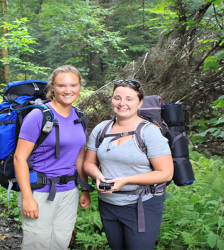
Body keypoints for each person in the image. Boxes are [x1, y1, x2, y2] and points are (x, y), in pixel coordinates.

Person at [84, 79, 174, 250]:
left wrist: (125, 180)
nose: (122, 103)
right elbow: (89, 162)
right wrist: (97, 175)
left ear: (140, 102)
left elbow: (166, 173)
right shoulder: (102, 129)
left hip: (142, 204)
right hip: (108, 204)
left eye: (129, 99)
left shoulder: (149, 132)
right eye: (117, 98)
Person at [13, 65, 92, 250]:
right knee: (37, 245)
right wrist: (27, 197)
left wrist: (85, 189)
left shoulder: (80, 117)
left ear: (80, 87)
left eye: (73, 85)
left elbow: (80, 157)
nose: (68, 90)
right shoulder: (39, 116)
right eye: (61, 85)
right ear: (52, 88)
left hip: (69, 192)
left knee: (60, 244)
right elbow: (19, 158)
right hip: (39, 191)